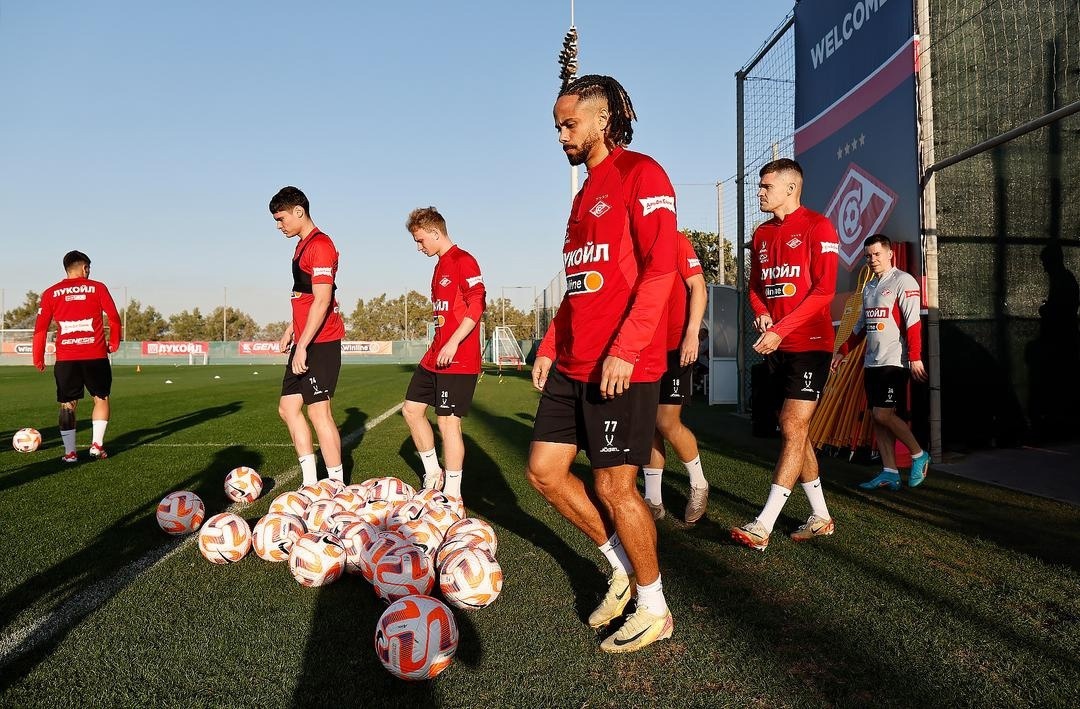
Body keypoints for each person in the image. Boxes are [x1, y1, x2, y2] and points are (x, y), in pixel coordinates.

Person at [527, 74, 677, 653]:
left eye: (570, 124)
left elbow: (661, 269)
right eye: (557, 126)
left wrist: (626, 348)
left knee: (614, 486)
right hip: (573, 362)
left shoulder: (643, 174)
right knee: (544, 472)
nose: (561, 135)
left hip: (622, 364)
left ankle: (655, 606)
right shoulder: (583, 194)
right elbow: (578, 286)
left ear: (603, 119)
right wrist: (548, 345)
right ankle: (621, 567)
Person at [731, 158, 839, 552]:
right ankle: (821, 516)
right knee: (794, 429)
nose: (760, 192)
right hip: (777, 346)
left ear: (791, 188)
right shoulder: (761, 234)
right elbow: (755, 287)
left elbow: (824, 291)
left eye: (766, 186)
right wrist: (762, 314)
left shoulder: (818, 226)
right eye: (760, 186)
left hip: (810, 345)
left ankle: (763, 524)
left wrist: (781, 329)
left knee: (793, 425)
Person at [832, 234, 930, 488]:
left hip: (894, 362)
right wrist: (842, 351)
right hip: (872, 363)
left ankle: (919, 454)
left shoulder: (903, 281)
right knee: (877, 418)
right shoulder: (869, 287)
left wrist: (915, 357)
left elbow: (913, 323)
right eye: (868, 256)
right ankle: (890, 472)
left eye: (877, 254)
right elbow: (860, 327)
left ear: (890, 254)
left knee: (883, 414)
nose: (872, 259)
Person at [401, 207, 486, 499]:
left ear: (435, 233)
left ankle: (452, 495)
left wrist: (453, 342)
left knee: (448, 422)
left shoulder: (464, 260)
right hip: (435, 356)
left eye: (420, 240)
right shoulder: (439, 266)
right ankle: (433, 473)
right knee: (411, 410)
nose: (418, 247)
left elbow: (477, 304)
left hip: (458, 358)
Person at [269, 186, 346, 486]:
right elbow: (304, 296)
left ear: (299, 211)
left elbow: (323, 299)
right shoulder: (301, 245)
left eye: (281, 219)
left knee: (318, 412)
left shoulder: (321, 245)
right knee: (288, 408)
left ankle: (337, 485)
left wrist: (302, 345)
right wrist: (291, 329)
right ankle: (311, 482)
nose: (279, 226)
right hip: (303, 339)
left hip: (320, 342)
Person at [641, 232, 710, 523]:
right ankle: (653, 499)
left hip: (675, 347)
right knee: (646, 424)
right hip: (642, 348)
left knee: (666, 421)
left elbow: (698, 287)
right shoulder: (628, 243)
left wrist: (692, 334)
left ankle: (699, 484)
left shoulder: (676, 241)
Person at [32, 251, 122, 463]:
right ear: (84, 268)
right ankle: (96, 447)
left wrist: (38, 357)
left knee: (67, 404)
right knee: (101, 398)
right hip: (95, 355)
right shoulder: (98, 287)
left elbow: (40, 329)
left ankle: (70, 453)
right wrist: (114, 342)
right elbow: (114, 317)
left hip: (66, 358)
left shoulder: (51, 293)